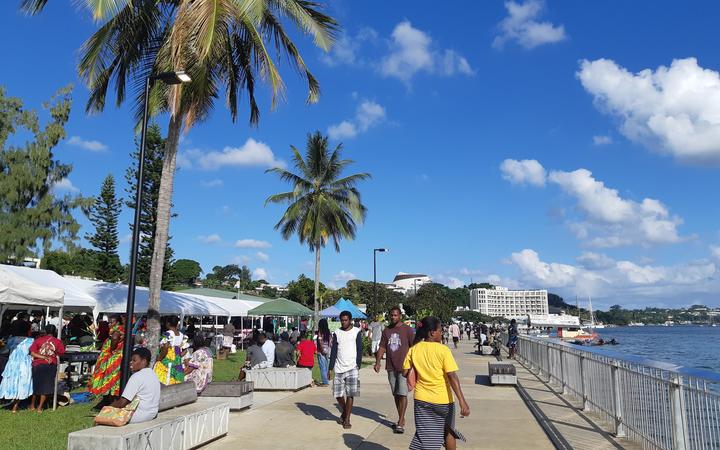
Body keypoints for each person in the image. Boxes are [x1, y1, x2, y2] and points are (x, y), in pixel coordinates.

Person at [404, 316, 470, 450]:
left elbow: (405, 372)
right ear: (432, 332)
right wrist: (462, 401)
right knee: (448, 431)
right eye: (440, 331)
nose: (442, 333)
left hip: (422, 399)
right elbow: (452, 375)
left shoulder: (414, 349)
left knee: (424, 434)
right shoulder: (443, 350)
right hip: (443, 400)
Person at [373, 306, 414, 434]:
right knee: (396, 394)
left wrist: (413, 365)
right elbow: (382, 347)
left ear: (400, 316)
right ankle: (400, 417)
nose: (393, 317)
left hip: (404, 368)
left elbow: (414, 348)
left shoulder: (408, 330)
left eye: (395, 315)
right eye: (391, 315)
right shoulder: (387, 331)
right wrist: (378, 362)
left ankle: (401, 421)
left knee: (402, 393)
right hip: (391, 366)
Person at [329, 310, 363, 430]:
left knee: (350, 394)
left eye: (346, 320)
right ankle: (344, 412)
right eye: (342, 320)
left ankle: (347, 419)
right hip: (339, 367)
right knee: (338, 394)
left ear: (350, 320)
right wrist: (330, 368)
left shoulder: (356, 331)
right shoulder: (337, 333)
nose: (344, 322)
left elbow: (359, 349)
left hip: (352, 367)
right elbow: (333, 351)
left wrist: (358, 365)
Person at [110, 347, 161, 424]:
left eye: (134, 360)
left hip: (138, 416)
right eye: (131, 360)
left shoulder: (137, 376)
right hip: (152, 414)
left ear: (144, 361)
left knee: (102, 418)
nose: (131, 362)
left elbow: (122, 402)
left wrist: (107, 408)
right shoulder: (153, 374)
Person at [28, 325, 65, 413]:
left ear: (45, 331)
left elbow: (32, 353)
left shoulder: (38, 340)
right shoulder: (58, 341)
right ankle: (40, 407)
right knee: (46, 386)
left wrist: (42, 357)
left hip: (38, 365)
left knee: (35, 385)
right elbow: (61, 352)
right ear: (54, 331)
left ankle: (32, 405)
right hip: (51, 365)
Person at [89, 319, 124, 410]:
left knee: (111, 380)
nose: (109, 324)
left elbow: (115, 338)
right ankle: (107, 402)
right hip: (112, 358)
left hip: (113, 359)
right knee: (111, 381)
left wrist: (111, 349)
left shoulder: (117, 330)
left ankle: (111, 404)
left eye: (111, 322)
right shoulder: (119, 329)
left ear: (117, 322)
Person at [0, 319, 33, 412]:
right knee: (21, 384)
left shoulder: (11, 340)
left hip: (12, 364)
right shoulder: (30, 341)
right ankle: (15, 405)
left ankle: (13, 403)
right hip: (24, 364)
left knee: (12, 383)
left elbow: (6, 350)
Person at [154, 316, 185, 385]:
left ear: (167, 324)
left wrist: (160, 358)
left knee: (164, 375)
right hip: (177, 359)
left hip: (168, 357)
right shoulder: (181, 335)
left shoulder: (167, 334)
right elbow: (185, 349)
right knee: (174, 377)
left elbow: (166, 346)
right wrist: (178, 356)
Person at [316, 319, 332, 386]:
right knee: (327, 366)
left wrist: (322, 349)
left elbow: (320, 341)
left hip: (321, 351)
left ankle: (325, 382)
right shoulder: (328, 332)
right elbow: (331, 341)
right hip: (328, 350)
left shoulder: (320, 332)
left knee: (322, 367)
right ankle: (327, 380)